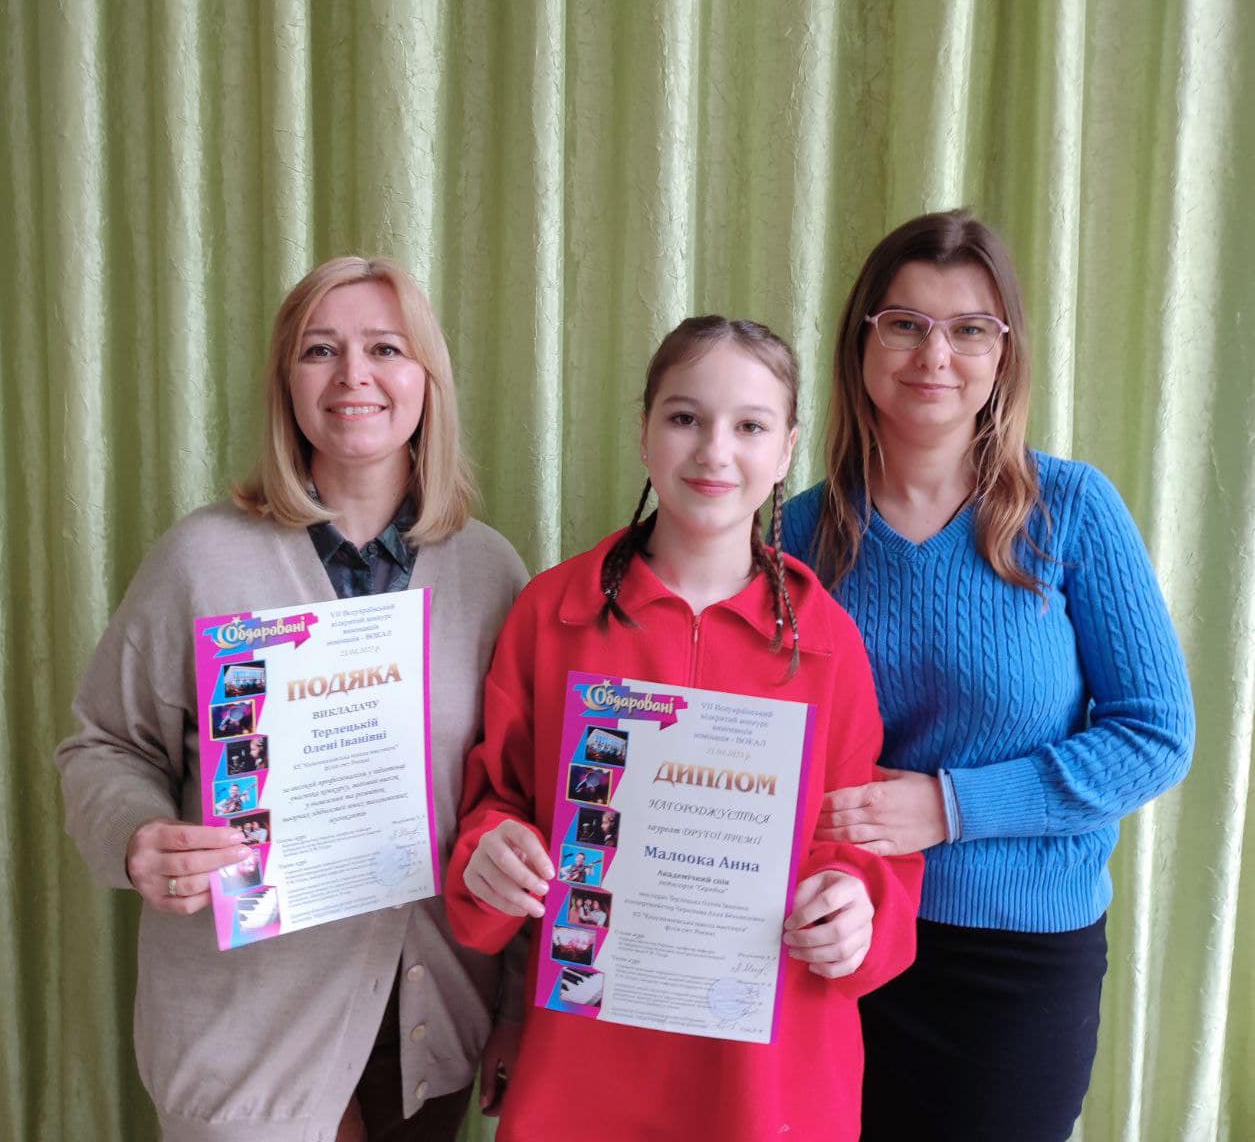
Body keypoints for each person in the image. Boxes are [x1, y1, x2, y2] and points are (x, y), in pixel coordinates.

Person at [56, 256, 529, 1142]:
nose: (354, 376)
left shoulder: (491, 571)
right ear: (286, 382)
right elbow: (104, 745)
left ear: (427, 379)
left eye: (385, 348)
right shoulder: (202, 558)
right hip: (246, 1028)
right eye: (320, 350)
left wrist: (514, 1009)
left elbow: (515, 801)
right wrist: (135, 836)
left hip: (425, 1025)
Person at [445, 316, 923, 1141]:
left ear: (787, 451)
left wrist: (856, 907)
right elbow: (495, 805)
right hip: (585, 1066)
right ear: (643, 432)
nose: (713, 451)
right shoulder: (550, 615)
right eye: (684, 418)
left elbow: (860, 843)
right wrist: (492, 855)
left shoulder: (827, 642)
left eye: (750, 426)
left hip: (766, 1076)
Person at [780, 211, 1195, 1141]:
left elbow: (1155, 737)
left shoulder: (1072, 510)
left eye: (968, 328)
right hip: (837, 941)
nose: (935, 355)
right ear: (860, 343)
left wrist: (949, 806)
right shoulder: (796, 535)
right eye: (904, 324)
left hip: (1018, 961)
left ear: (1003, 352)